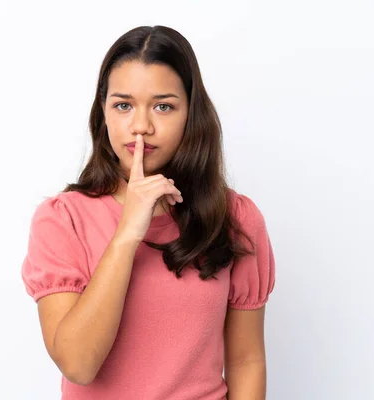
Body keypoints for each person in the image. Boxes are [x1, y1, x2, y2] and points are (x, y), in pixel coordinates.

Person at [21, 25, 276, 400]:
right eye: (123, 105)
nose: (141, 126)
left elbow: (246, 361)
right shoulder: (62, 220)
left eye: (163, 106)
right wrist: (127, 235)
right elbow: (78, 364)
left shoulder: (235, 217)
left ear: (191, 112)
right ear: (103, 113)